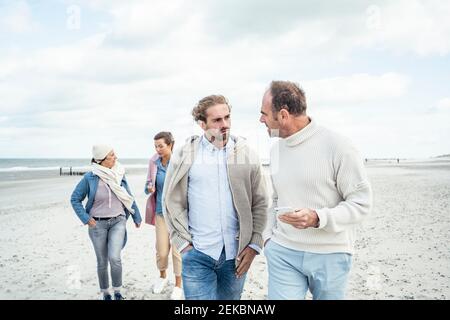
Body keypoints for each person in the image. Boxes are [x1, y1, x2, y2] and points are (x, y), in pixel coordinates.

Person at [259, 81, 372, 300]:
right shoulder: (275, 150)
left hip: (331, 253)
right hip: (283, 252)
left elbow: (361, 204)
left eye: (264, 114)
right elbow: (275, 197)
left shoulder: (339, 146)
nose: (261, 120)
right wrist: (268, 239)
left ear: (283, 115)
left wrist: (317, 217)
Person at [162, 95, 268, 300]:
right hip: (197, 254)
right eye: (217, 120)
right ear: (202, 124)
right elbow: (170, 201)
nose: (225, 124)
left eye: (227, 117)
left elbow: (261, 202)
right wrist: (182, 243)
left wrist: (254, 245)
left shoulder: (247, 155)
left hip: (236, 256)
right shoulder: (185, 155)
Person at [71, 144, 142, 300]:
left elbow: (128, 196)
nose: (115, 157)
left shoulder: (119, 174)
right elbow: (75, 199)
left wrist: (137, 216)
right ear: (101, 159)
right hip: (97, 224)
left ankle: (117, 291)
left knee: (115, 257)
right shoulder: (90, 177)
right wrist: (86, 218)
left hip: (118, 221)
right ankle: (105, 293)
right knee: (102, 261)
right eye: (111, 155)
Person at [144, 131, 183, 300]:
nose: (158, 149)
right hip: (160, 214)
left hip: (178, 215)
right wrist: (149, 188)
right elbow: (147, 185)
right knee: (161, 250)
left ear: (170, 145)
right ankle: (162, 276)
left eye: (161, 146)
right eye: (156, 146)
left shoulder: (180, 162)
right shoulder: (153, 163)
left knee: (177, 251)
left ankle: (178, 285)